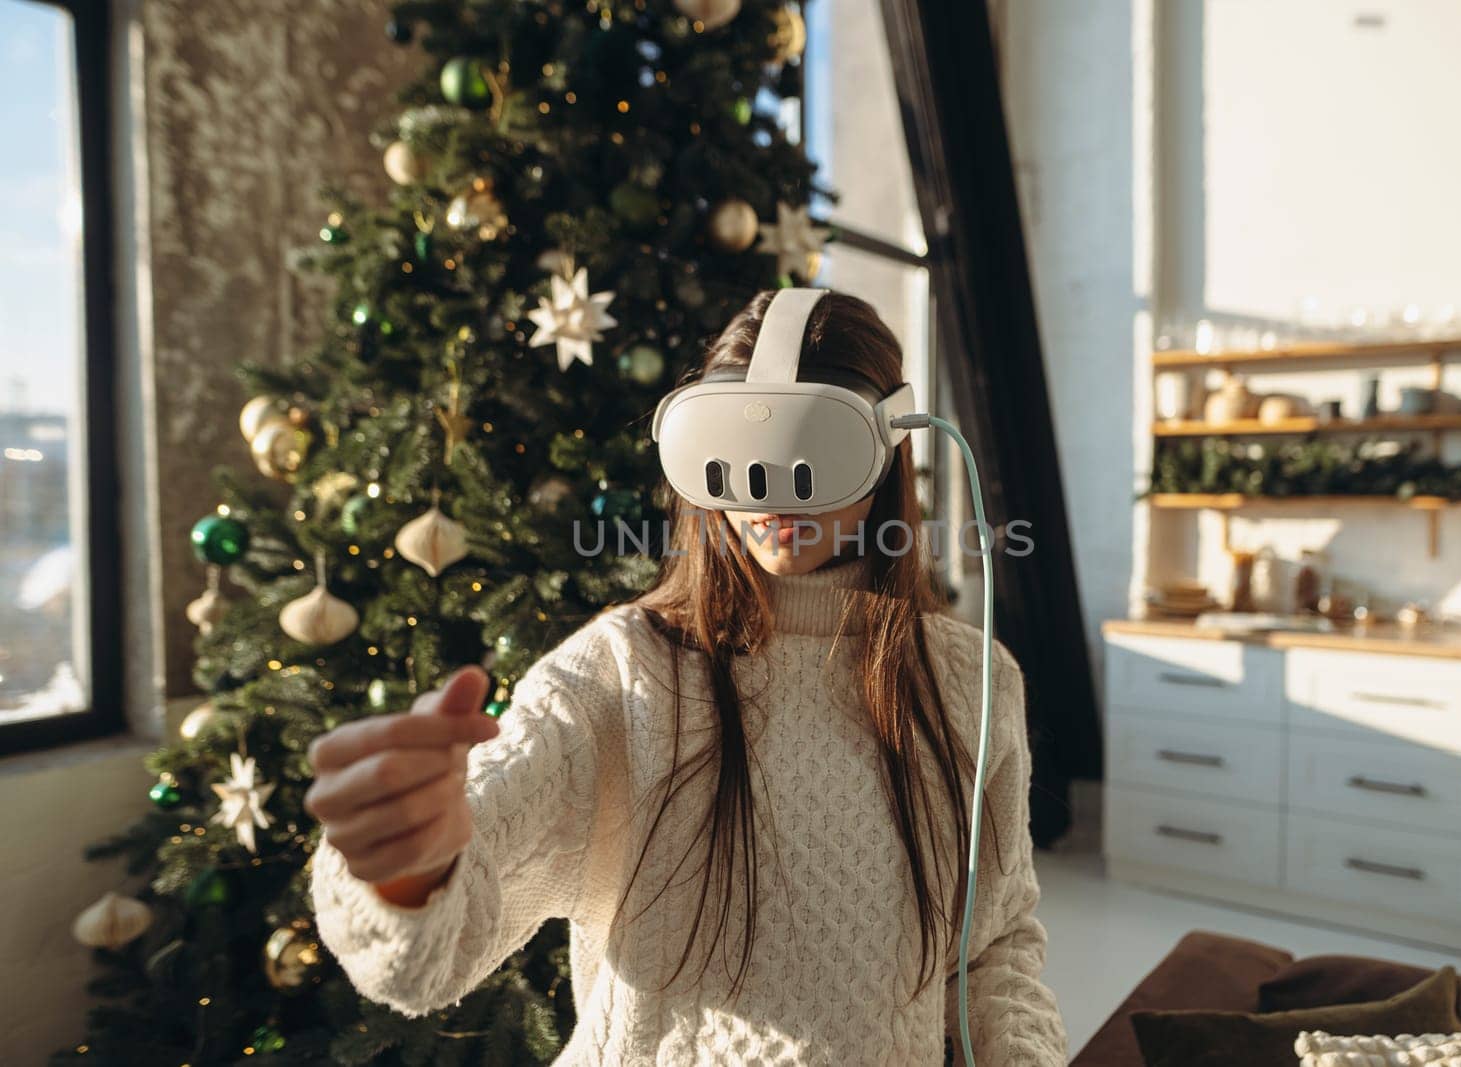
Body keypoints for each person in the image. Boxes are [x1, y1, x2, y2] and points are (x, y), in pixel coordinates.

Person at [307, 290, 1068, 1064]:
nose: (770, 493)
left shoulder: (971, 681)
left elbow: (992, 943)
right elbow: (422, 961)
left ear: (889, 444)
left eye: (814, 441)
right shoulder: (620, 673)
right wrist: (407, 865)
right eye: (734, 450)